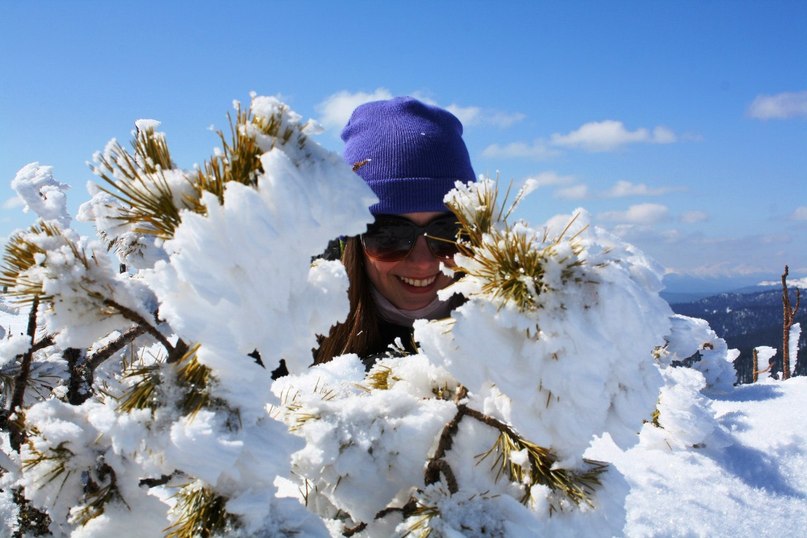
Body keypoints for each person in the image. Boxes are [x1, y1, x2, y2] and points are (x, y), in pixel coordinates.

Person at [314, 97, 476, 366]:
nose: (423, 262)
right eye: (390, 234)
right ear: (352, 241)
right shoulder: (283, 346)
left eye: (447, 233)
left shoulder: (535, 338)